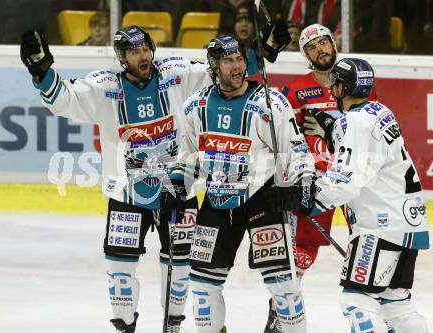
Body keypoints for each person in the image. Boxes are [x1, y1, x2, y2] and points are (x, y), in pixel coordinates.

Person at [20, 23, 290, 333]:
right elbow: (63, 98)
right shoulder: (104, 86)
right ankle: (124, 326)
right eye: (135, 52)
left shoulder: (175, 73)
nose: (143, 55)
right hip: (127, 194)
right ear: (122, 57)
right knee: (119, 273)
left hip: (178, 189)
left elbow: (220, 70)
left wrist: (262, 52)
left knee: (179, 267)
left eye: (146, 48)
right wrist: (42, 72)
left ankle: (172, 326)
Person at [163, 34, 315, 333]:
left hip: (264, 200)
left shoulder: (270, 103)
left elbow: (297, 150)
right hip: (216, 202)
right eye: (227, 60)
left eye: (239, 59)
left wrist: (299, 186)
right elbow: (187, 154)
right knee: (203, 286)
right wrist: (177, 187)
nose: (236, 66)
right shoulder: (196, 106)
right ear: (213, 66)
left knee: (284, 286)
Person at [303, 57, 430, 333]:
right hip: (410, 222)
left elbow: (346, 183)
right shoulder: (381, 110)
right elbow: (362, 140)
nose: (331, 89)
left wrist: (309, 198)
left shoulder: (354, 124)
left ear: (341, 88)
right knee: (396, 304)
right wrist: (334, 127)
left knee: (356, 302)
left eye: (334, 84)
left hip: (380, 225)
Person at [264, 23, 341, 333]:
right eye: (312, 46)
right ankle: (280, 312)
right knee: (302, 252)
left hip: (351, 177)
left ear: (334, 44)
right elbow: (280, 130)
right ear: (306, 55)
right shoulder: (296, 89)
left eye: (324, 42)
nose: (320, 49)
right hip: (315, 181)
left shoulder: (354, 80)